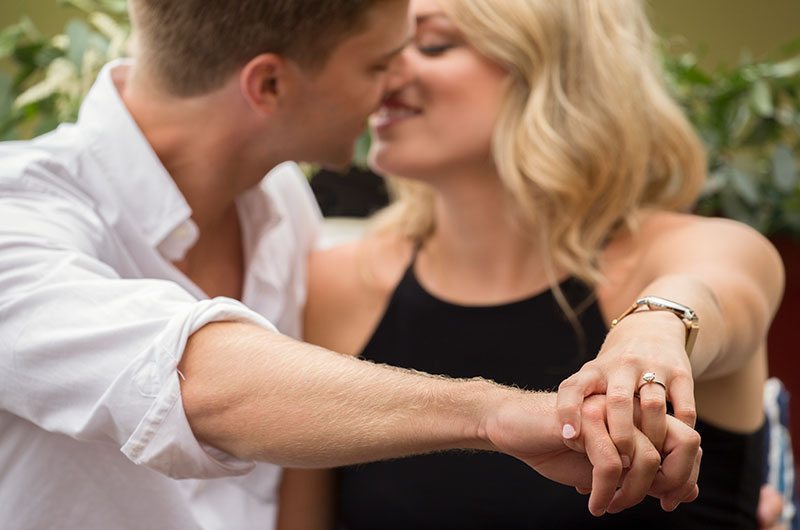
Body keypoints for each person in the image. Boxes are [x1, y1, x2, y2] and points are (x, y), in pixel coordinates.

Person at [0, 0, 704, 529]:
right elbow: (199, 380)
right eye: (377, 63)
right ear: (269, 86)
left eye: (427, 46)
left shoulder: (280, 205)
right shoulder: (17, 214)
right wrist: (496, 414)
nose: (391, 84)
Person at [277, 0, 785, 528]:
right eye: (382, 46)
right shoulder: (332, 285)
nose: (385, 66)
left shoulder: (697, 248)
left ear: (554, 69)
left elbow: (713, 288)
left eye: (431, 44)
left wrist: (655, 329)